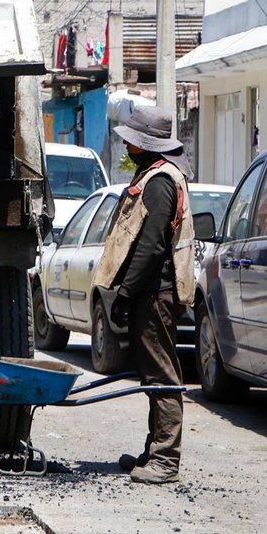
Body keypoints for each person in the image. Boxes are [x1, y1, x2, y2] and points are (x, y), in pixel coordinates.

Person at [91, 107, 195, 484]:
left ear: (147, 144)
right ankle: (155, 450)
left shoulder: (161, 181)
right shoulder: (154, 175)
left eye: (132, 139)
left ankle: (165, 460)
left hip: (155, 295)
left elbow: (151, 246)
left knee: (162, 375)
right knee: (153, 374)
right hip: (148, 294)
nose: (125, 143)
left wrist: (127, 293)